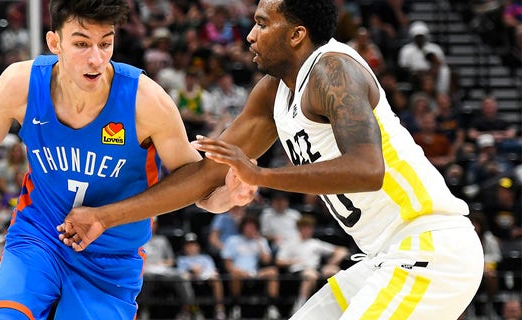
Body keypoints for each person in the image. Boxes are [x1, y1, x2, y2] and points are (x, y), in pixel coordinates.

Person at [59, 1, 484, 319]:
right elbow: (205, 177)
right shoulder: (272, 94)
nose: (250, 35)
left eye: (263, 23)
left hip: (431, 248)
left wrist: (261, 174)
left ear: (296, 34)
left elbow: (368, 170)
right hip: (382, 257)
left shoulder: (332, 70)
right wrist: (105, 216)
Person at [0, 1, 254, 319]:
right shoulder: (21, 83)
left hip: (111, 260)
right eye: (81, 44)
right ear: (54, 42)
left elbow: (197, 185)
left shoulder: (145, 101)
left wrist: (229, 196)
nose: (95, 59)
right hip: (39, 237)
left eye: (105, 44)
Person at [276, 215, 348, 315]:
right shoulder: (290, 243)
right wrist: (293, 261)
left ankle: (336, 302)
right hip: (297, 271)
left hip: (315, 269)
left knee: (334, 270)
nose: (307, 230)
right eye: (305, 227)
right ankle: (300, 306)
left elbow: (341, 250)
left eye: (309, 227)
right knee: (310, 275)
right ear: (299, 228)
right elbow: (279, 261)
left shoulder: (315, 243)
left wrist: (334, 261)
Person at [176, 232, 227, 320]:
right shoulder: (181, 259)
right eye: (188, 246)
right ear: (184, 247)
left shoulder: (206, 258)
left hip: (206, 282)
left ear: (198, 246)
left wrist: (201, 271)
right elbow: (181, 273)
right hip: (191, 282)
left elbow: (212, 271)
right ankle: (188, 311)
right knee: (183, 280)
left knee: (216, 279)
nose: (192, 248)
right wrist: (192, 272)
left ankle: (219, 310)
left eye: (194, 245)